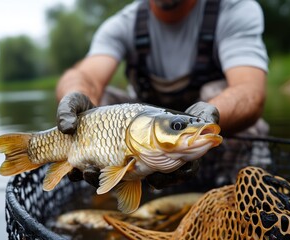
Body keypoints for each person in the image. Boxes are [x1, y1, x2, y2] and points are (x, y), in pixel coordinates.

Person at [55, 0, 269, 190]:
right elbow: (86, 76)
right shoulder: (122, 24)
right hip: (138, 146)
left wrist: (204, 120)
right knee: (100, 104)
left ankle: (236, 198)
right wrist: (75, 94)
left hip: (197, 137)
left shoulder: (234, 9)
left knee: (225, 103)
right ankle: (113, 193)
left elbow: (249, 90)